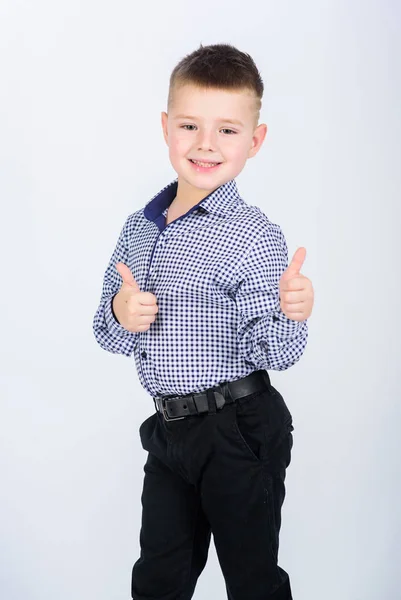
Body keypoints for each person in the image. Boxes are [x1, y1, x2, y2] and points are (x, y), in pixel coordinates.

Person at [93, 43, 314, 600]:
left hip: (238, 426)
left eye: (228, 131)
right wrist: (123, 313)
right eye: (190, 125)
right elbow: (106, 329)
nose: (206, 144)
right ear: (167, 127)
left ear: (255, 141)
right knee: (159, 578)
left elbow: (275, 353)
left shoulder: (251, 235)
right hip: (170, 431)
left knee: (251, 578)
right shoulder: (139, 226)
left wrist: (290, 313)